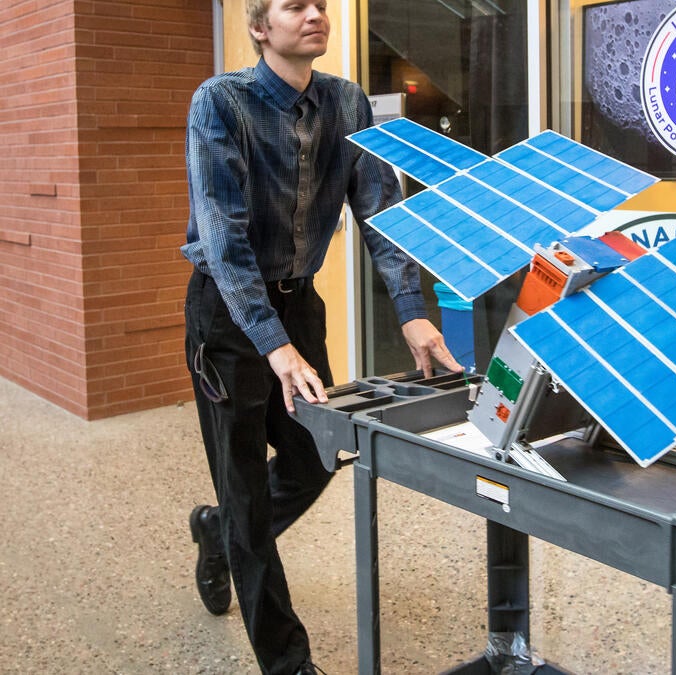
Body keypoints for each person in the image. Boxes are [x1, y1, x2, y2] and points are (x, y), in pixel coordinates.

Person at [181, 1, 461, 673]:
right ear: (259, 27)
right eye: (293, 5)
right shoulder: (220, 104)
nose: (315, 13)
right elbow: (224, 238)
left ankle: (219, 533)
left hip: (299, 306)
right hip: (229, 313)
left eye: (318, 4)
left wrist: (411, 309)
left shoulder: (347, 102)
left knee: (314, 457)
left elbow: (379, 208)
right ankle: (288, 660)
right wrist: (272, 346)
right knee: (246, 486)